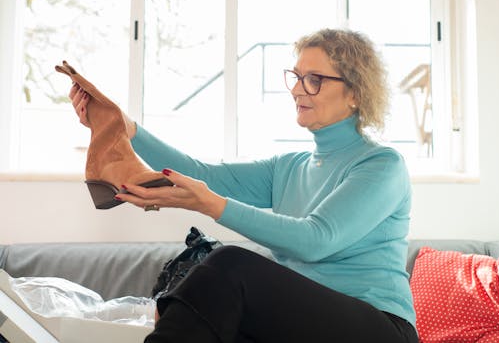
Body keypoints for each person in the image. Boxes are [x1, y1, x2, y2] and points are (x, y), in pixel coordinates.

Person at [69, 28, 419, 342]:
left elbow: (316, 240)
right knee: (207, 311)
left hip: (381, 327)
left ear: (355, 93)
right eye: (296, 77)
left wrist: (209, 204)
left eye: (314, 79)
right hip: (303, 324)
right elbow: (201, 173)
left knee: (230, 265)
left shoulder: (381, 165)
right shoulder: (289, 167)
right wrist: (125, 128)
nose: (298, 89)